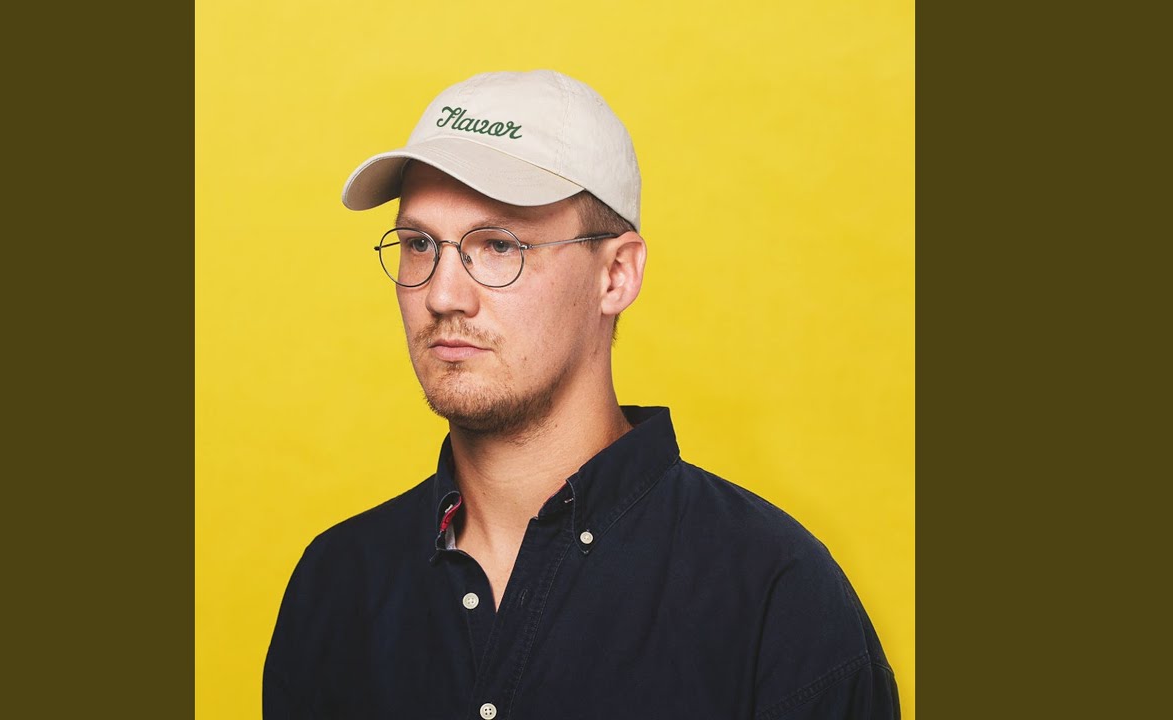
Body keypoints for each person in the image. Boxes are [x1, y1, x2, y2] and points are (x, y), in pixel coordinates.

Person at [264, 69, 899, 719]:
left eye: (498, 245)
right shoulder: (336, 586)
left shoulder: (776, 597)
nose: (443, 294)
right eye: (420, 244)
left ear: (616, 275)